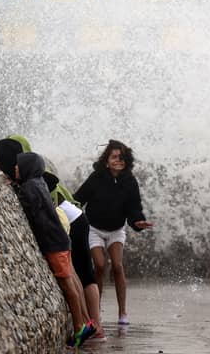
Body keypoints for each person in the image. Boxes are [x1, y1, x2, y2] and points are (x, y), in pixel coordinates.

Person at [0, 136, 106, 341]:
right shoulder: (39, 180)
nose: (16, 168)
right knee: (77, 277)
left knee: (75, 279)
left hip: (65, 231)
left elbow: (33, 208)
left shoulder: (31, 187)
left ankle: (86, 327)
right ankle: (90, 324)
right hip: (67, 230)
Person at [74, 139, 153, 326]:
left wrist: (137, 222)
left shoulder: (130, 181)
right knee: (100, 266)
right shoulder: (96, 178)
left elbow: (134, 208)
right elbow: (78, 199)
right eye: (114, 157)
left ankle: (123, 312)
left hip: (117, 230)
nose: (118, 160)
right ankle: (96, 311)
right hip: (94, 229)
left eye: (122, 157)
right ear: (107, 160)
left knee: (117, 266)